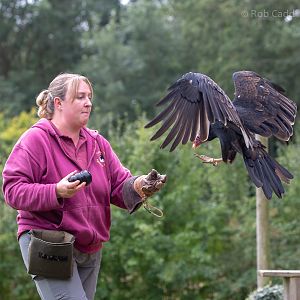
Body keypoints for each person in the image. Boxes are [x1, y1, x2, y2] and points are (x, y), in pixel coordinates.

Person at [2, 73, 167, 300]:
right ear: (58, 103)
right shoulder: (35, 140)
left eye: (89, 96)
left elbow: (119, 185)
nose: (88, 102)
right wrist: (55, 191)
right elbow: (12, 191)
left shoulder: (98, 143)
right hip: (48, 241)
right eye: (80, 97)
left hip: (89, 245)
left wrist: (141, 185)